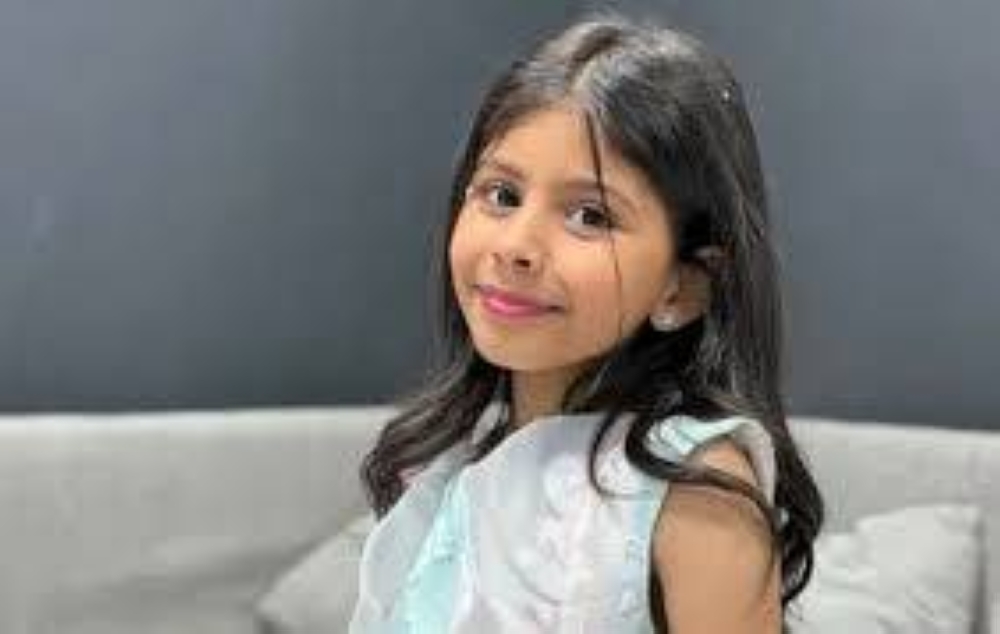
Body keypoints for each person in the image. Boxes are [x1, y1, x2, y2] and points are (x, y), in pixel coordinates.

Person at [353, 11, 824, 633]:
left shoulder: (695, 489)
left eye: (590, 217)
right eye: (501, 195)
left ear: (684, 286)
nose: (517, 246)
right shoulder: (451, 463)